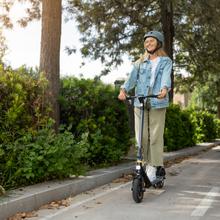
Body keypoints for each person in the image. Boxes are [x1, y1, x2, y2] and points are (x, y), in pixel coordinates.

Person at [118, 31, 172, 182]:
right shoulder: (139, 62)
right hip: (140, 102)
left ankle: (153, 167)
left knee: (155, 136)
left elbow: (166, 77)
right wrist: (123, 90)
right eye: (146, 41)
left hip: (158, 101)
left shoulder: (165, 61)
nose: (148, 43)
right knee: (141, 137)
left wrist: (164, 89)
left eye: (151, 41)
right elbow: (131, 79)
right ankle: (144, 163)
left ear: (158, 43)